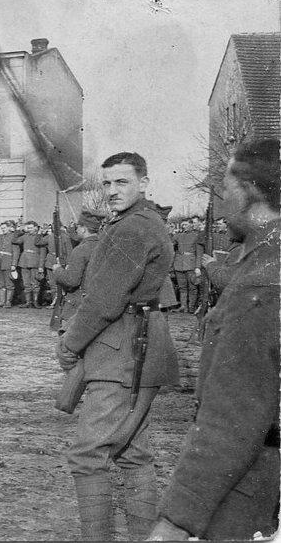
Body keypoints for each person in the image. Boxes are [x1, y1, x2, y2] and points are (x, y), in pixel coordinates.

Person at [149, 139, 280, 541]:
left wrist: (176, 520)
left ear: (250, 190)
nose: (221, 204)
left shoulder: (261, 279)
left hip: (254, 480)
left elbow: (232, 415)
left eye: (225, 188)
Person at [56, 152, 178, 540]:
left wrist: (71, 343)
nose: (111, 190)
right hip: (142, 344)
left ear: (144, 183)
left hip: (121, 350)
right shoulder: (144, 222)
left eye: (121, 182)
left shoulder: (131, 229)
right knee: (132, 453)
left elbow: (105, 300)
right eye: (106, 183)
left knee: (87, 456)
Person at [51, 210, 104, 325]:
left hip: (78, 304)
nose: (76, 229)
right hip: (98, 302)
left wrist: (58, 270)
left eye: (78, 226)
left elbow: (72, 280)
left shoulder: (81, 250)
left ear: (84, 229)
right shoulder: (104, 246)